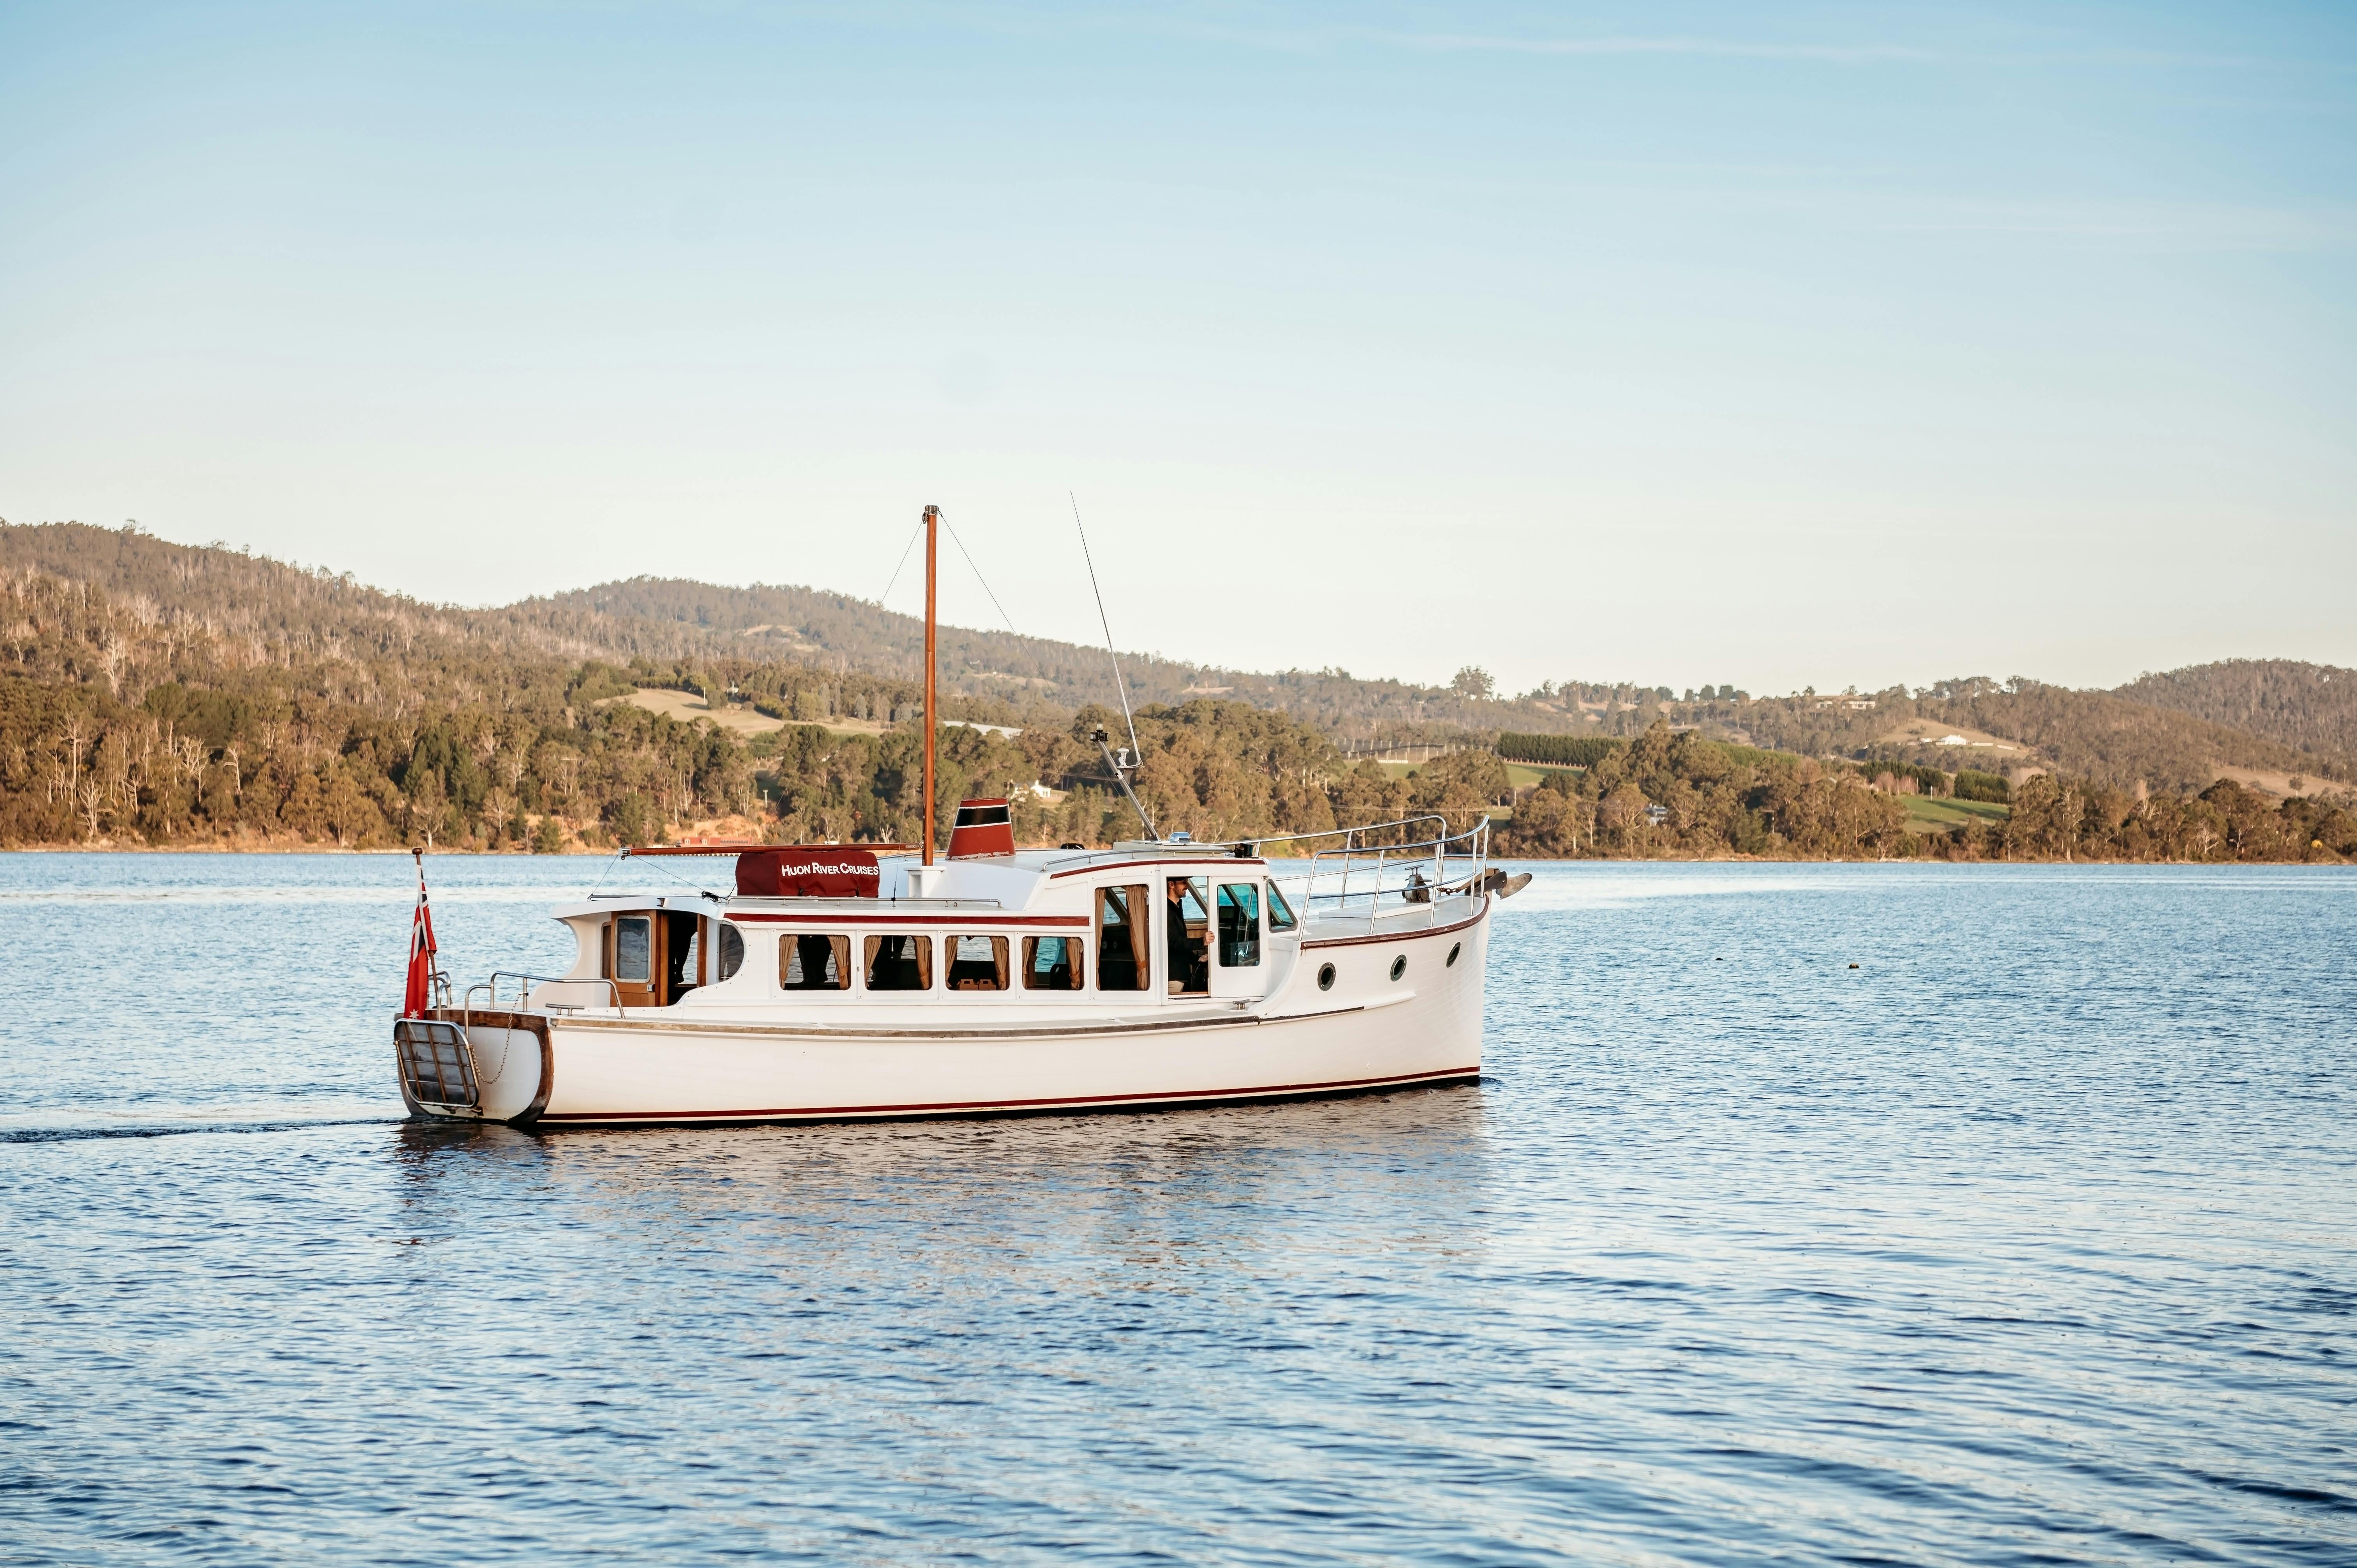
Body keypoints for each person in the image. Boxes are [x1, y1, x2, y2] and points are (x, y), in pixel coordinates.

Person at [1166, 877, 1209, 995]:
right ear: (1171, 885)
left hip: (1180, 975)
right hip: (1174, 977)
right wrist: (1202, 942)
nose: (1187, 886)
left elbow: (1179, 943)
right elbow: (1173, 941)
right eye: (1183, 882)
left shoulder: (1176, 907)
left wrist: (1197, 959)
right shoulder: (1166, 910)